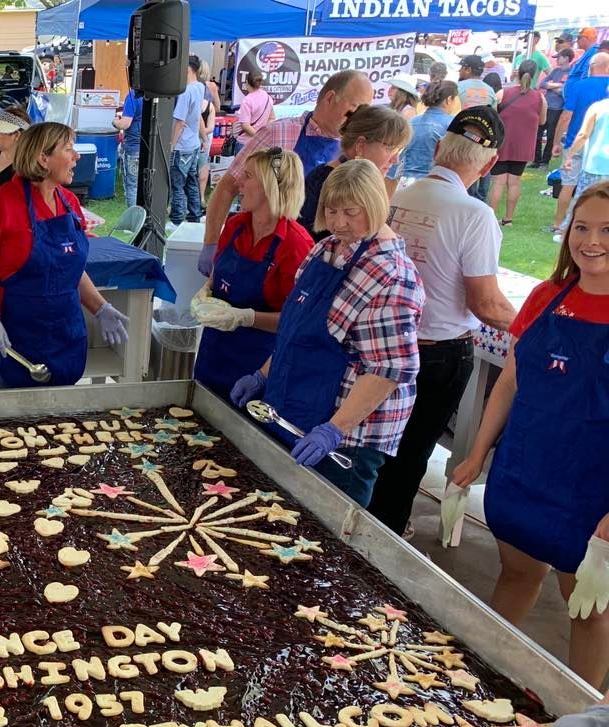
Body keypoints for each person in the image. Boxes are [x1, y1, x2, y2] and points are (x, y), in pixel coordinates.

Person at [448, 184, 609, 689]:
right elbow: (510, 383)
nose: (590, 241)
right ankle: (480, 682)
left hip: (590, 485)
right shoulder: (546, 295)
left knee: (586, 607)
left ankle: (578, 713)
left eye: (607, 230)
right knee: (516, 572)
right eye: (581, 227)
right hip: (524, 465)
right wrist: (477, 453)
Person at [229, 159, 424, 506]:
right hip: (295, 410)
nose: (338, 222)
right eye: (332, 211)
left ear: (376, 205)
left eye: (350, 212)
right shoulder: (326, 249)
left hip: (346, 435)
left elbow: (389, 370)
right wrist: (261, 376)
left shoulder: (392, 276)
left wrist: (335, 430)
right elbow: (296, 330)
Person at [367, 108, 516, 536]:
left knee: (377, 447)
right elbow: (486, 304)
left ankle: (369, 521)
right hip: (436, 355)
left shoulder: (395, 195)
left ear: (436, 149)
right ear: (488, 163)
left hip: (383, 342)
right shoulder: (475, 215)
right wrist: (537, 322)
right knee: (410, 453)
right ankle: (387, 535)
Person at [0, 121, 131, 390]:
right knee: (7, 427)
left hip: (63, 333)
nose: (77, 156)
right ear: (43, 158)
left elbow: (68, 270)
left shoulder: (69, 202)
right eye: (68, 149)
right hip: (11, 337)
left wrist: (101, 308)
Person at [201, 70, 376, 274]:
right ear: (330, 97)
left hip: (322, 264)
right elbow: (228, 186)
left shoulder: (358, 152)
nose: (357, 119)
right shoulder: (279, 133)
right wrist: (211, 243)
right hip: (263, 258)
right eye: (354, 109)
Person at [190, 146, 313, 396]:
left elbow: (296, 322)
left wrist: (246, 317)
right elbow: (219, 277)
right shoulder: (236, 226)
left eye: (248, 176)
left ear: (270, 186)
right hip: (214, 350)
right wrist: (206, 293)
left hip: (258, 364)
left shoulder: (296, 245)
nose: (239, 184)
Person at [298, 104, 411, 240]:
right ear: (361, 145)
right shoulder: (333, 183)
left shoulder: (337, 178)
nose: (395, 159)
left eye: (399, 150)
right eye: (390, 148)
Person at [552, 53, 609, 238]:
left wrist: (560, 145)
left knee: (574, 190)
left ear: (591, 66)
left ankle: (561, 226)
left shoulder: (584, 92)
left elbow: (572, 121)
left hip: (590, 156)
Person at [487, 66, 546, 226]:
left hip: (502, 143)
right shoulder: (540, 97)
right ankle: (508, 219)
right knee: (514, 182)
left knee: (498, 182)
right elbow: (542, 121)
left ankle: (490, 217)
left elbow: (492, 116)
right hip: (523, 145)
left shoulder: (503, 93)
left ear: (517, 73)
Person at [399, 82, 461, 185]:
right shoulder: (452, 124)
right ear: (449, 99)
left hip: (406, 180)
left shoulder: (413, 121)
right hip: (435, 182)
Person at [169, 60, 208, 224]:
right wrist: (204, 138)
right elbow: (198, 115)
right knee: (192, 182)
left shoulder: (185, 92)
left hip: (182, 145)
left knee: (177, 184)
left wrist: (172, 144)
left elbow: (179, 121)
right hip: (193, 144)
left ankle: (177, 219)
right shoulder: (200, 87)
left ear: (188, 69)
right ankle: (195, 215)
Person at [563, 88, 609, 210]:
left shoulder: (598, 107)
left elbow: (583, 134)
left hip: (595, 165)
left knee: (583, 205)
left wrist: (570, 156)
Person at [536, 47, 574, 168]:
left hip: (557, 108)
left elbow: (566, 90)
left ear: (566, 58)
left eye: (559, 57)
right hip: (546, 105)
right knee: (538, 132)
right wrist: (557, 85)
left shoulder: (572, 73)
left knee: (551, 135)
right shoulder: (555, 71)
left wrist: (553, 87)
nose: (557, 60)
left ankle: (544, 161)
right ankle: (536, 160)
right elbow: (542, 84)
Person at [114, 85, 145, 207]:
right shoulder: (155, 93)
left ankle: (134, 220)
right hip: (150, 147)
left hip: (133, 148)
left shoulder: (133, 95)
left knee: (132, 185)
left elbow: (125, 124)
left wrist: (115, 121)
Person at [196, 57, 220, 214]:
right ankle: (201, 197)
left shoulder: (189, 87)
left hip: (195, 128)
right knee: (203, 164)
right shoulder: (211, 87)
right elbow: (218, 106)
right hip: (207, 126)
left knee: (189, 164)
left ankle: (191, 197)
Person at [236, 69, 274, 142]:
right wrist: (262, 135)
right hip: (260, 142)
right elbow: (272, 118)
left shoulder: (247, 101)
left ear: (247, 82)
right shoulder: (268, 98)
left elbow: (245, 126)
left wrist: (258, 137)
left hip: (245, 141)